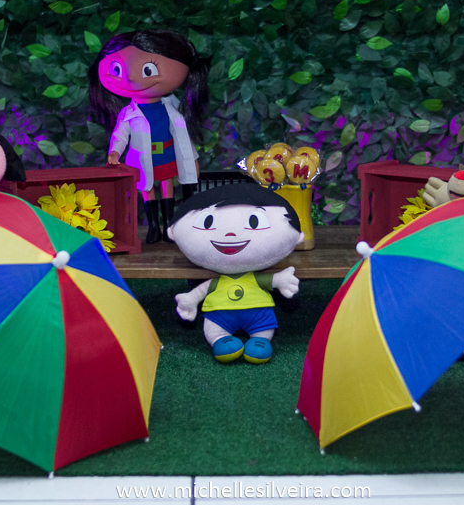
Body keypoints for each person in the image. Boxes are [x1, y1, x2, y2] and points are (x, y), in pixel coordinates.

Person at [88, 29, 210, 243]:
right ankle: (154, 225)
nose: (131, 77)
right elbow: (120, 135)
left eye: (148, 69)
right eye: (116, 69)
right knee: (147, 189)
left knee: (167, 189)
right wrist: (115, 151)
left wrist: (193, 159)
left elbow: (183, 137)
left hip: (167, 156)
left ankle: (170, 225)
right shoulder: (128, 113)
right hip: (141, 159)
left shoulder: (172, 107)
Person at [167, 184, 304, 364]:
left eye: (255, 222)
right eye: (207, 223)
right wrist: (190, 299)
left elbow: (270, 280)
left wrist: (281, 280)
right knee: (215, 330)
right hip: (219, 317)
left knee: (262, 330)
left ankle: (260, 340)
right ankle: (220, 339)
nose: (230, 234)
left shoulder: (253, 278)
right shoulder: (217, 281)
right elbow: (202, 291)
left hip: (258, 316)